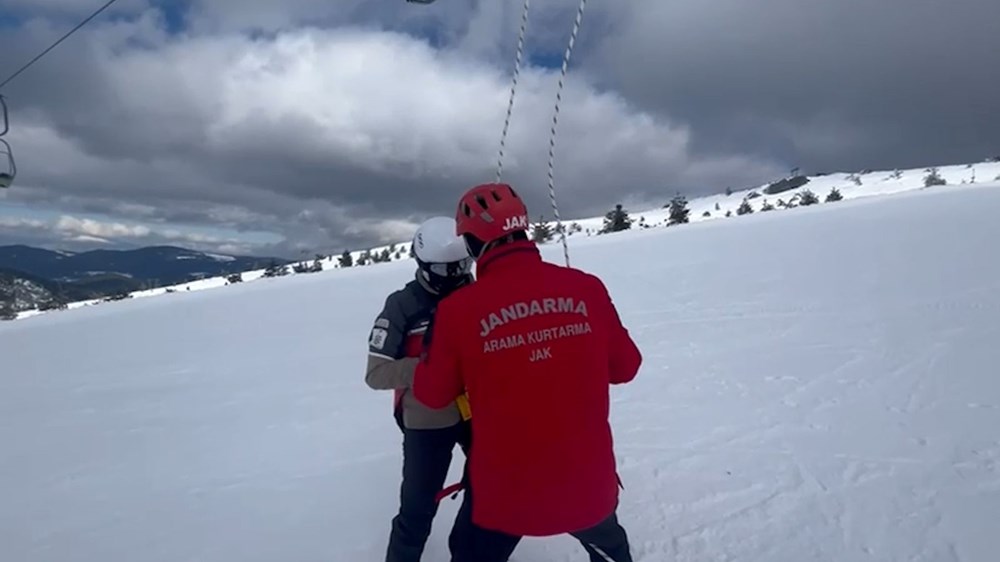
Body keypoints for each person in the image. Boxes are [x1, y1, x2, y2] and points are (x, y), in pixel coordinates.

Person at [411, 183, 643, 562]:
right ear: (523, 228)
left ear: (471, 244)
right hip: (587, 483)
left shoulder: (457, 311)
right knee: (611, 549)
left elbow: (432, 394)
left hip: (504, 493)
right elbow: (626, 366)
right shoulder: (586, 288)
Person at [365, 216, 475, 562]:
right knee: (417, 509)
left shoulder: (475, 292)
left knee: (490, 490)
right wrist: (431, 368)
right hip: (427, 420)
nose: (457, 276)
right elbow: (377, 374)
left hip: (478, 411)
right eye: (447, 270)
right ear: (424, 266)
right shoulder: (402, 305)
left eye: (463, 265)